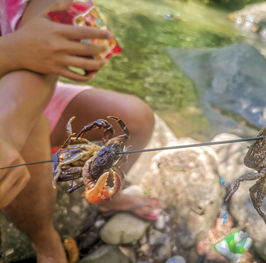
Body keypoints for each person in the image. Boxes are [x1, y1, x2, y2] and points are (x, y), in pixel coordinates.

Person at [0, 0, 159, 262]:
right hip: (17, 110)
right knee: (31, 132)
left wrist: (57, 41)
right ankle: (45, 240)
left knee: (135, 120)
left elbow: (41, 48)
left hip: (21, 90)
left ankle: (105, 198)